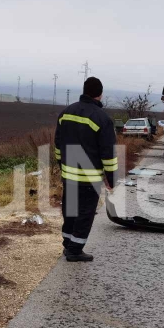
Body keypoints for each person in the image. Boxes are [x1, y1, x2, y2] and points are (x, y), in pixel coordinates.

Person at [54, 77, 118, 262]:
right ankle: (75, 250)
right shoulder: (102, 119)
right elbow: (108, 154)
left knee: (70, 209)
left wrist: (61, 164)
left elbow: (58, 144)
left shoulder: (66, 113)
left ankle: (67, 244)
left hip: (68, 173)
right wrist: (111, 179)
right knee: (85, 212)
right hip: (89, 177)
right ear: (100, 94)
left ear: (84, 90)